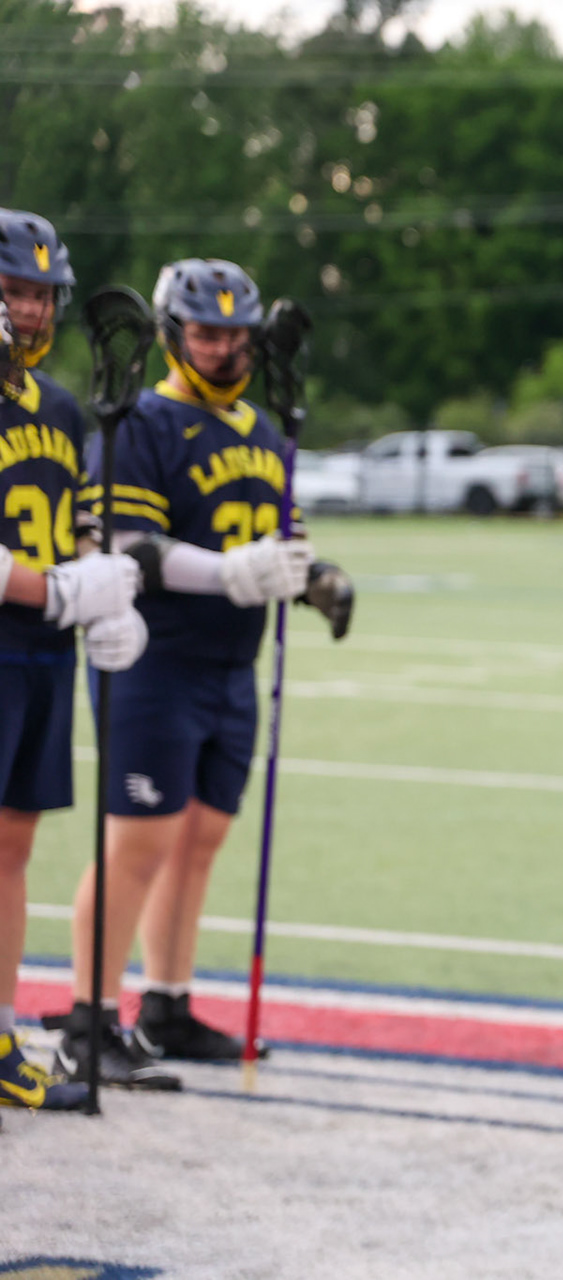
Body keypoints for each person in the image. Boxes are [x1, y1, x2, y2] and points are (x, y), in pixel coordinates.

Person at [56, 259, 330, 1089]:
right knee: (137, 843)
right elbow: (131, 547)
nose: (223, 349)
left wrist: (315, 577)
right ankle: (89, 1020)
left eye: (235, 335)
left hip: (231, 665)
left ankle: (165, 1004)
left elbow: (277, 544)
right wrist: (230, 574)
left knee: (200, 842)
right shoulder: (140, 422)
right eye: (207, 334)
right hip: (155, 660)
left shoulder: (260, 430)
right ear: (176, 337)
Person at [0, 209, 149, 1116]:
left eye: (42, 292)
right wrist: (53, 591)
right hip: (9, 631)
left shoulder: (58, 406)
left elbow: (79, 520)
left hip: (41, 656)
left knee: (12, 849)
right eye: (16, 289)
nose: (32, 308)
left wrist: (104, 592)